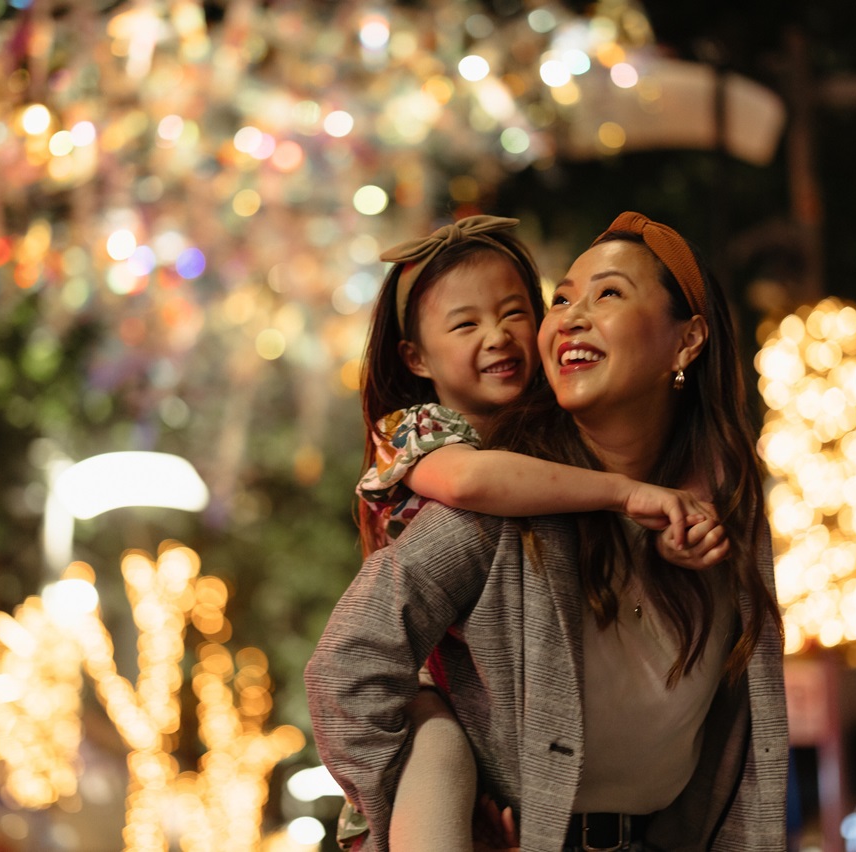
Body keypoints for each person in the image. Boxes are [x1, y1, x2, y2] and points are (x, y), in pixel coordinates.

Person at [306, 212, 787, 852]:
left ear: (688, 340)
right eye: (561, 299)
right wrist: (421, 819)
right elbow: (346, 667)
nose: (572, 316)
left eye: (608, 293)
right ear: (416, 356)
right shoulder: (495, 503)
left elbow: (743, 743)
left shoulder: (726, 503)